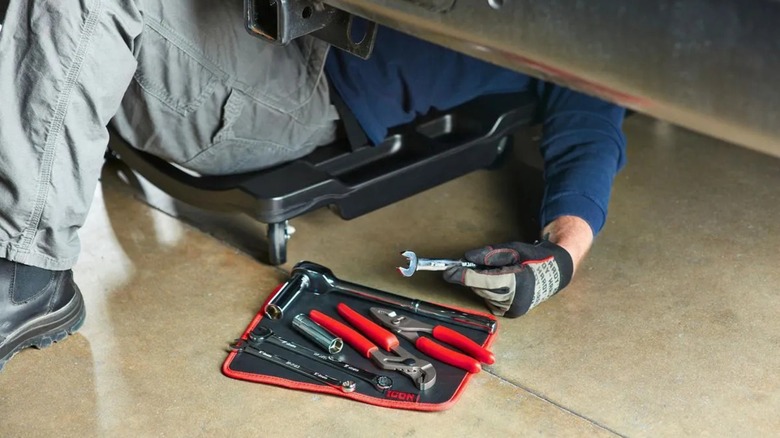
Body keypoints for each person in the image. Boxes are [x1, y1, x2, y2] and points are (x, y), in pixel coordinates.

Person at [0, 0, 625, 371]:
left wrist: (561, 257)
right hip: (249, 24)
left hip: (299, 92)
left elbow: (592, 130)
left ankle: (29, 276)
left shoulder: (592, 23)